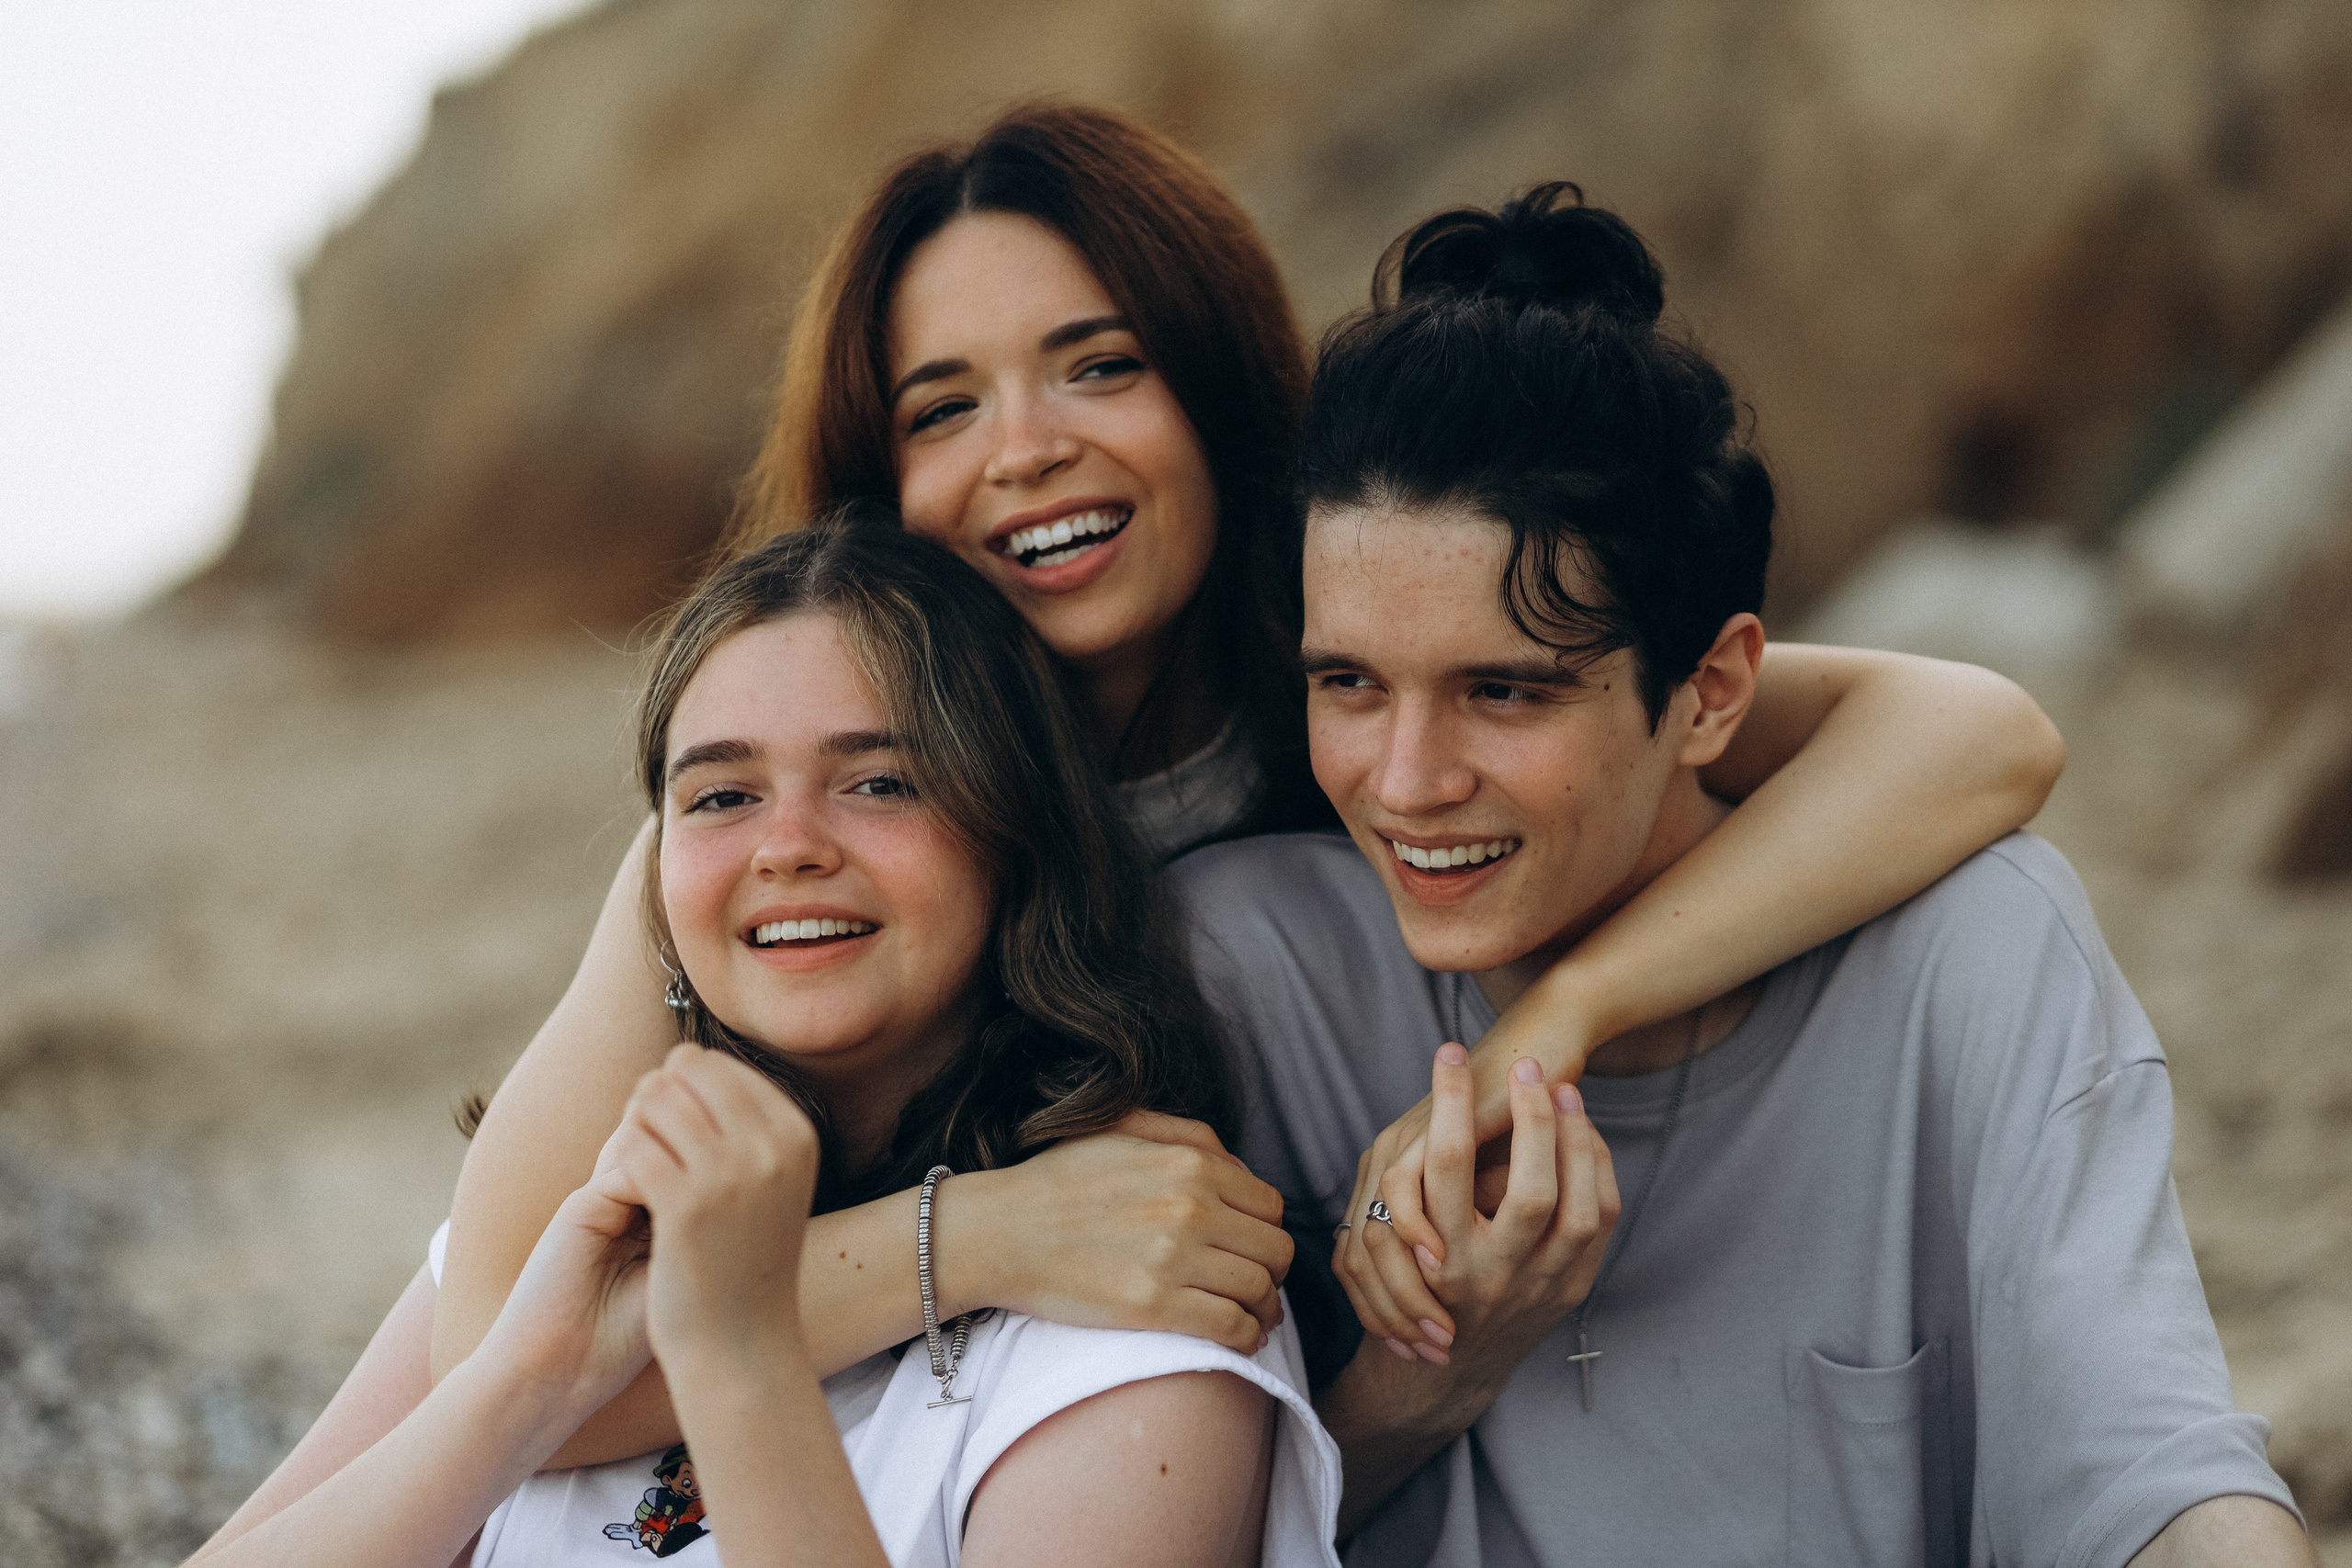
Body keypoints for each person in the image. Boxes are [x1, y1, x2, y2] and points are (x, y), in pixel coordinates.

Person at [196, 101, 2064, 1545]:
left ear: (1216, 395)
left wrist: (1564, 1011)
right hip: (814, 1306)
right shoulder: (794, 814)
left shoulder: (1351, 676)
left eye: (1097, 366)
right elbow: (516, 1347)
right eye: (945, 406)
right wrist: (988, 1233)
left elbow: (1972, 735)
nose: (1025, 447)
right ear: (879, 485)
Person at [1170, 183, 2312, 1566]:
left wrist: (1559, 1015)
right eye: (1349, 682)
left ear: (1710, 690)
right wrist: (1433, 1378)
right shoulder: (1248, 971)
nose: (1406, 780)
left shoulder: (1970, 957)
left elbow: (2153, 1464)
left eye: (1505, 692)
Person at [191, 517, 1343, 1568]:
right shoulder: (573, 1251)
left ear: (1020, 833)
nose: (786, 846)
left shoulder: (1132, 1342)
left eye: (881, 781)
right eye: (720, 796)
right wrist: (537, 1380)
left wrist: (739, 1356)